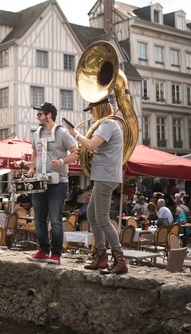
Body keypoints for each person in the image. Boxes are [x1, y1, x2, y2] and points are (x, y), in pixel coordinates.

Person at [65, 97, 127, 275]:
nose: (91, 113)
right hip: (104, 176)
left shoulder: (108, 124)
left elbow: (91, 144)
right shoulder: (108, 124)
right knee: (92, 215)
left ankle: (119, 259)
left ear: (99, 108)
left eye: (92, 109)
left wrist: (74, 134)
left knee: (102, 219)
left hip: (105, 177)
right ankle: (100, 256)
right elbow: (97, 149)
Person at [26, 102, 78, 265]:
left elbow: (76, 153)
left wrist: (62, 160)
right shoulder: (36, 134)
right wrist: (32, 168)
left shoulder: (62, 133)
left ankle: (56, 254)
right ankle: (43, 250)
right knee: (39, 219)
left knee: (55, 219)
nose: (37, 117)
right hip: (40, 181)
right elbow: (34, 154)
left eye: (40, 114)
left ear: (49, 115)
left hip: (58, 182)